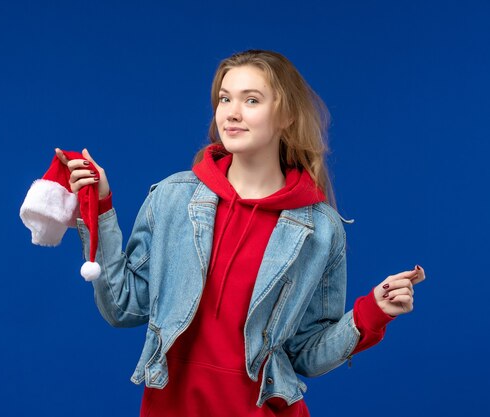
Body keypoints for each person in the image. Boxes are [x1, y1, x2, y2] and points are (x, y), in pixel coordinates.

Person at [55, 49, 425, 417]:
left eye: (251, 100)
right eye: (225, 99)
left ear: (286, 115)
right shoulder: (172, 199)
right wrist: (100, 207)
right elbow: (122, 307)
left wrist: (372, 311)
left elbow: (306, 354)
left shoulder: (320, 228)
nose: (232, 112)